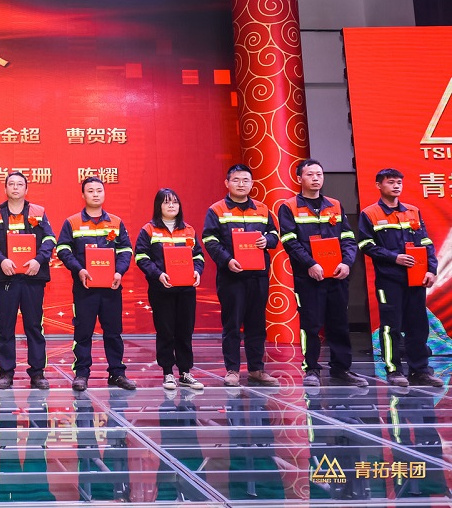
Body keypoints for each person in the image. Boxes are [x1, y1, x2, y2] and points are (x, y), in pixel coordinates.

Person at [278, 158, 368, 388]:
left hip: (337, 275)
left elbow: (348, 238)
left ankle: (341, 368)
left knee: (339, 323)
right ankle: (311, 369)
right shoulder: (289, 207)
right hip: (308, 277)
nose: (316, 178)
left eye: (319, 174)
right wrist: (309, 264)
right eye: (310, 174)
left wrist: (347, 263)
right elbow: (289, 241)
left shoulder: (335, 205)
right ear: (299, 178)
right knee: (311, 324)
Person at [357, 168, 443, 387]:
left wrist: (431, 270)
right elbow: (366, 245)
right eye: (391, 182)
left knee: (418, 325)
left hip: (416, 279)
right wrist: (394, 258)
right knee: (391, 326)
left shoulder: (413, 211)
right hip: (389, 280)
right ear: (379, 185)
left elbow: (426, 243)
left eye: (399, 182)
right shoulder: (370, 213)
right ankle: (393, 370)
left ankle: (420, 370)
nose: (396, 186)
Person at [201, 164, 281, 387]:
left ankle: (256, 369)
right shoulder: (216, 210)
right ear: (227, 183)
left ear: (252, 184)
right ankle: (232, 370)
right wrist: (227, 260)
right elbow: (209, 240)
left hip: (258, 276)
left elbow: (274, 234)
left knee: (257, 324)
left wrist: (267, 240)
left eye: (246, 180)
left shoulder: (262, 209)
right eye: (236, 180)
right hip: (231, 276)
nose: (241, 184)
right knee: (232, 325)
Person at [56, 177, 136, 391]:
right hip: (85, 287)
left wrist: (119, 271)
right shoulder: (72, 222)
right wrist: (78, 269)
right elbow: (63, 249)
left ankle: (117, 373)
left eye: (99, 190)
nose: (95, 194)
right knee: (83, 332)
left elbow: (126, 250)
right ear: (83, 195)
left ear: (104, 193)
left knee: (113, 332)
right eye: (90, 191)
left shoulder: (116, 222)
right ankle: (81, 374)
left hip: (111, 287)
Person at [0, 171, 57, 389]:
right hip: (6, 278)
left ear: (26, 189)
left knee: (34, 325)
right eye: (11, 184)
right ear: (5, 188)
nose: (15, 188)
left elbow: (50, 239)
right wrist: (2, 260)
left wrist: (38, 260)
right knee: (5, 327)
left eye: (19, 184)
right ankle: (6, 372)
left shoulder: (38, 212)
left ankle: (37, 373)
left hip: (33, 277)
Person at [134, 188, 205, 391]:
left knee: (185, 330)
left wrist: (197, 271)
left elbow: (198, 256)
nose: (171, 205)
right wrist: (158, 274)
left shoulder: (189, 230)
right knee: (165, 330)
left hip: (186, 289)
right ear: (159, 206)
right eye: (166, 202)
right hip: (161, 289)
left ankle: (185, 372)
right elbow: (141, 257)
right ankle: (167, 372)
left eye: (175, 202)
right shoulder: (149, 230)